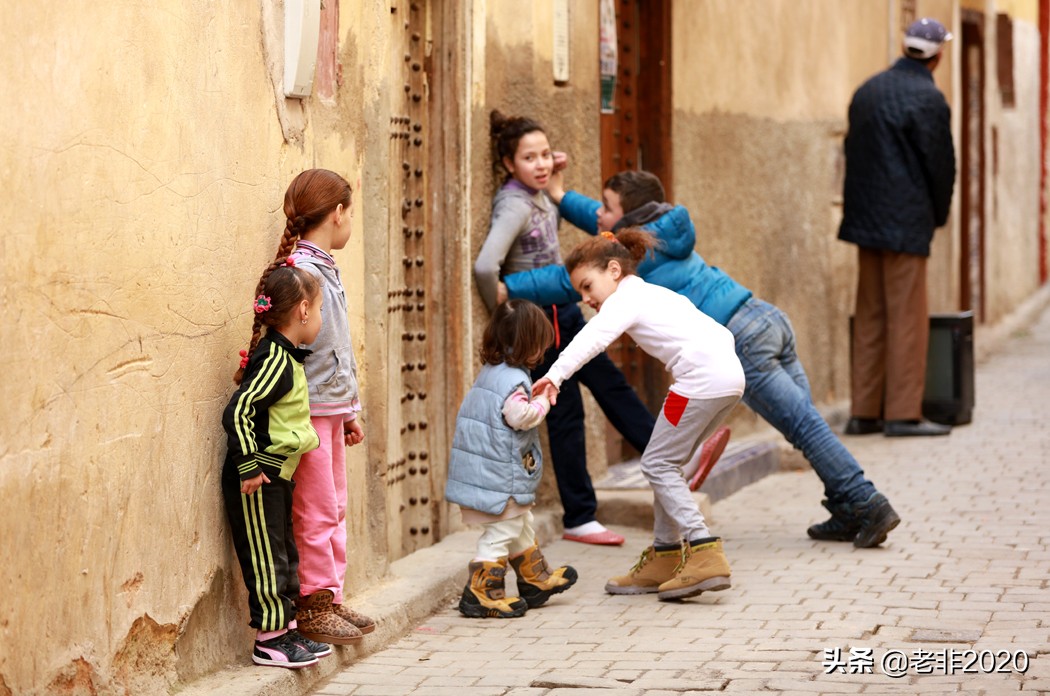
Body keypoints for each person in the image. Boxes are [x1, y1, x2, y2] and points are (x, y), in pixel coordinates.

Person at [503, 169, 901, 549]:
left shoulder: (634, 258)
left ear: (625, 216)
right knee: (807, 423)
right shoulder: (666, 228)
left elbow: (562, 282)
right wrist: (558, 196)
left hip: (741, 340)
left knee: (803, 426)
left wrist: (505, 285)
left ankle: (865, 503)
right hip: (764, 317)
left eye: (604, 208)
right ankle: (846, 504)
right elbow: (597, 242)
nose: (597, 215)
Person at [474, 110, 656, 546]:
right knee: (567, 413)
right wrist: (499, 305)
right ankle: (580, 515)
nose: (540, 164)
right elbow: (485, 265)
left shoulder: (539, 194)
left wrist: (554, 175)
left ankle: (664, 452)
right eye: (528, 158)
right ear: (507, 165)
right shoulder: (515, 203)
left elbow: (565, 188)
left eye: (544, 155)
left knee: (612, 385)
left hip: (565, 314)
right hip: (541, 323)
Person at [532, 229, 742, 600]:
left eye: (587, 286)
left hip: (699, 382)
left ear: (614, 270)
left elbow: (593, 338)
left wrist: (554, 375)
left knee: (657, 464)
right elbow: (719, 334)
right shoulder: (653, 293)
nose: (585, 299)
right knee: (666, 464)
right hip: (728, 379)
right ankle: (664, 555)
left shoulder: (625, 298)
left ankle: (704, 548)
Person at [266, 169, 374, 646]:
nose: (350, 221)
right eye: (350, 212)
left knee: (334, 506)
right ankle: (312, 604)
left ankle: (329, 595)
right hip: (307, 410)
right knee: (315, 509)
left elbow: (336, 347)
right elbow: (308, 351)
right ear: (337, 213)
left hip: (330, 407)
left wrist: (349, 409)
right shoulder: (304, 273)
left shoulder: (322, 266)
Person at [839, 17, 957, 438]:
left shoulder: (868, 90)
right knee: (907, 317)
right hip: (906, 222)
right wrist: (939, 214)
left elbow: (852, 151)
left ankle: (863, 411)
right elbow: (940, 165)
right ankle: (903, 413)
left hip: (866, 220)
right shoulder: (928, 97)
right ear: (937, 56)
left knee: (870, 314)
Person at [222, 260, 328, 668]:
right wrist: (248, 466)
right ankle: (268, 639)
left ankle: (286, 629)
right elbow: (239, 411)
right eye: (318, 311)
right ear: (303, 311)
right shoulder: (275, 361)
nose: (318, 319)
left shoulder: (285, 356)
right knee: (266, 557)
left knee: (283, 552)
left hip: (276, 476)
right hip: (257, 477)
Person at [445, 299, 578, 618]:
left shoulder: (494, 372)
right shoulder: (513, 380)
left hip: (489, 471)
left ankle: (534, 580)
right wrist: (543, 402)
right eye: (540, 346)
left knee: (520, 524)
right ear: (527, 344)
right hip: (497, 477)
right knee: (501, 531)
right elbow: (520, 415)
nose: (542, 354)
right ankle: (481, 593)